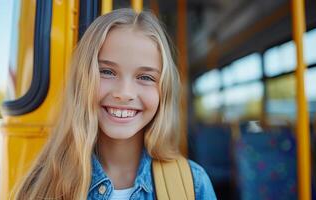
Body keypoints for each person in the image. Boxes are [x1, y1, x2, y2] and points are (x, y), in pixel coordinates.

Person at [14, 8, 216, 200]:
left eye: (145, 77)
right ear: (81, 81)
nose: (124, 93)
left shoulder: (193, 185)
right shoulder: (42, 183)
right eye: (107, 72)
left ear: (164, 90)